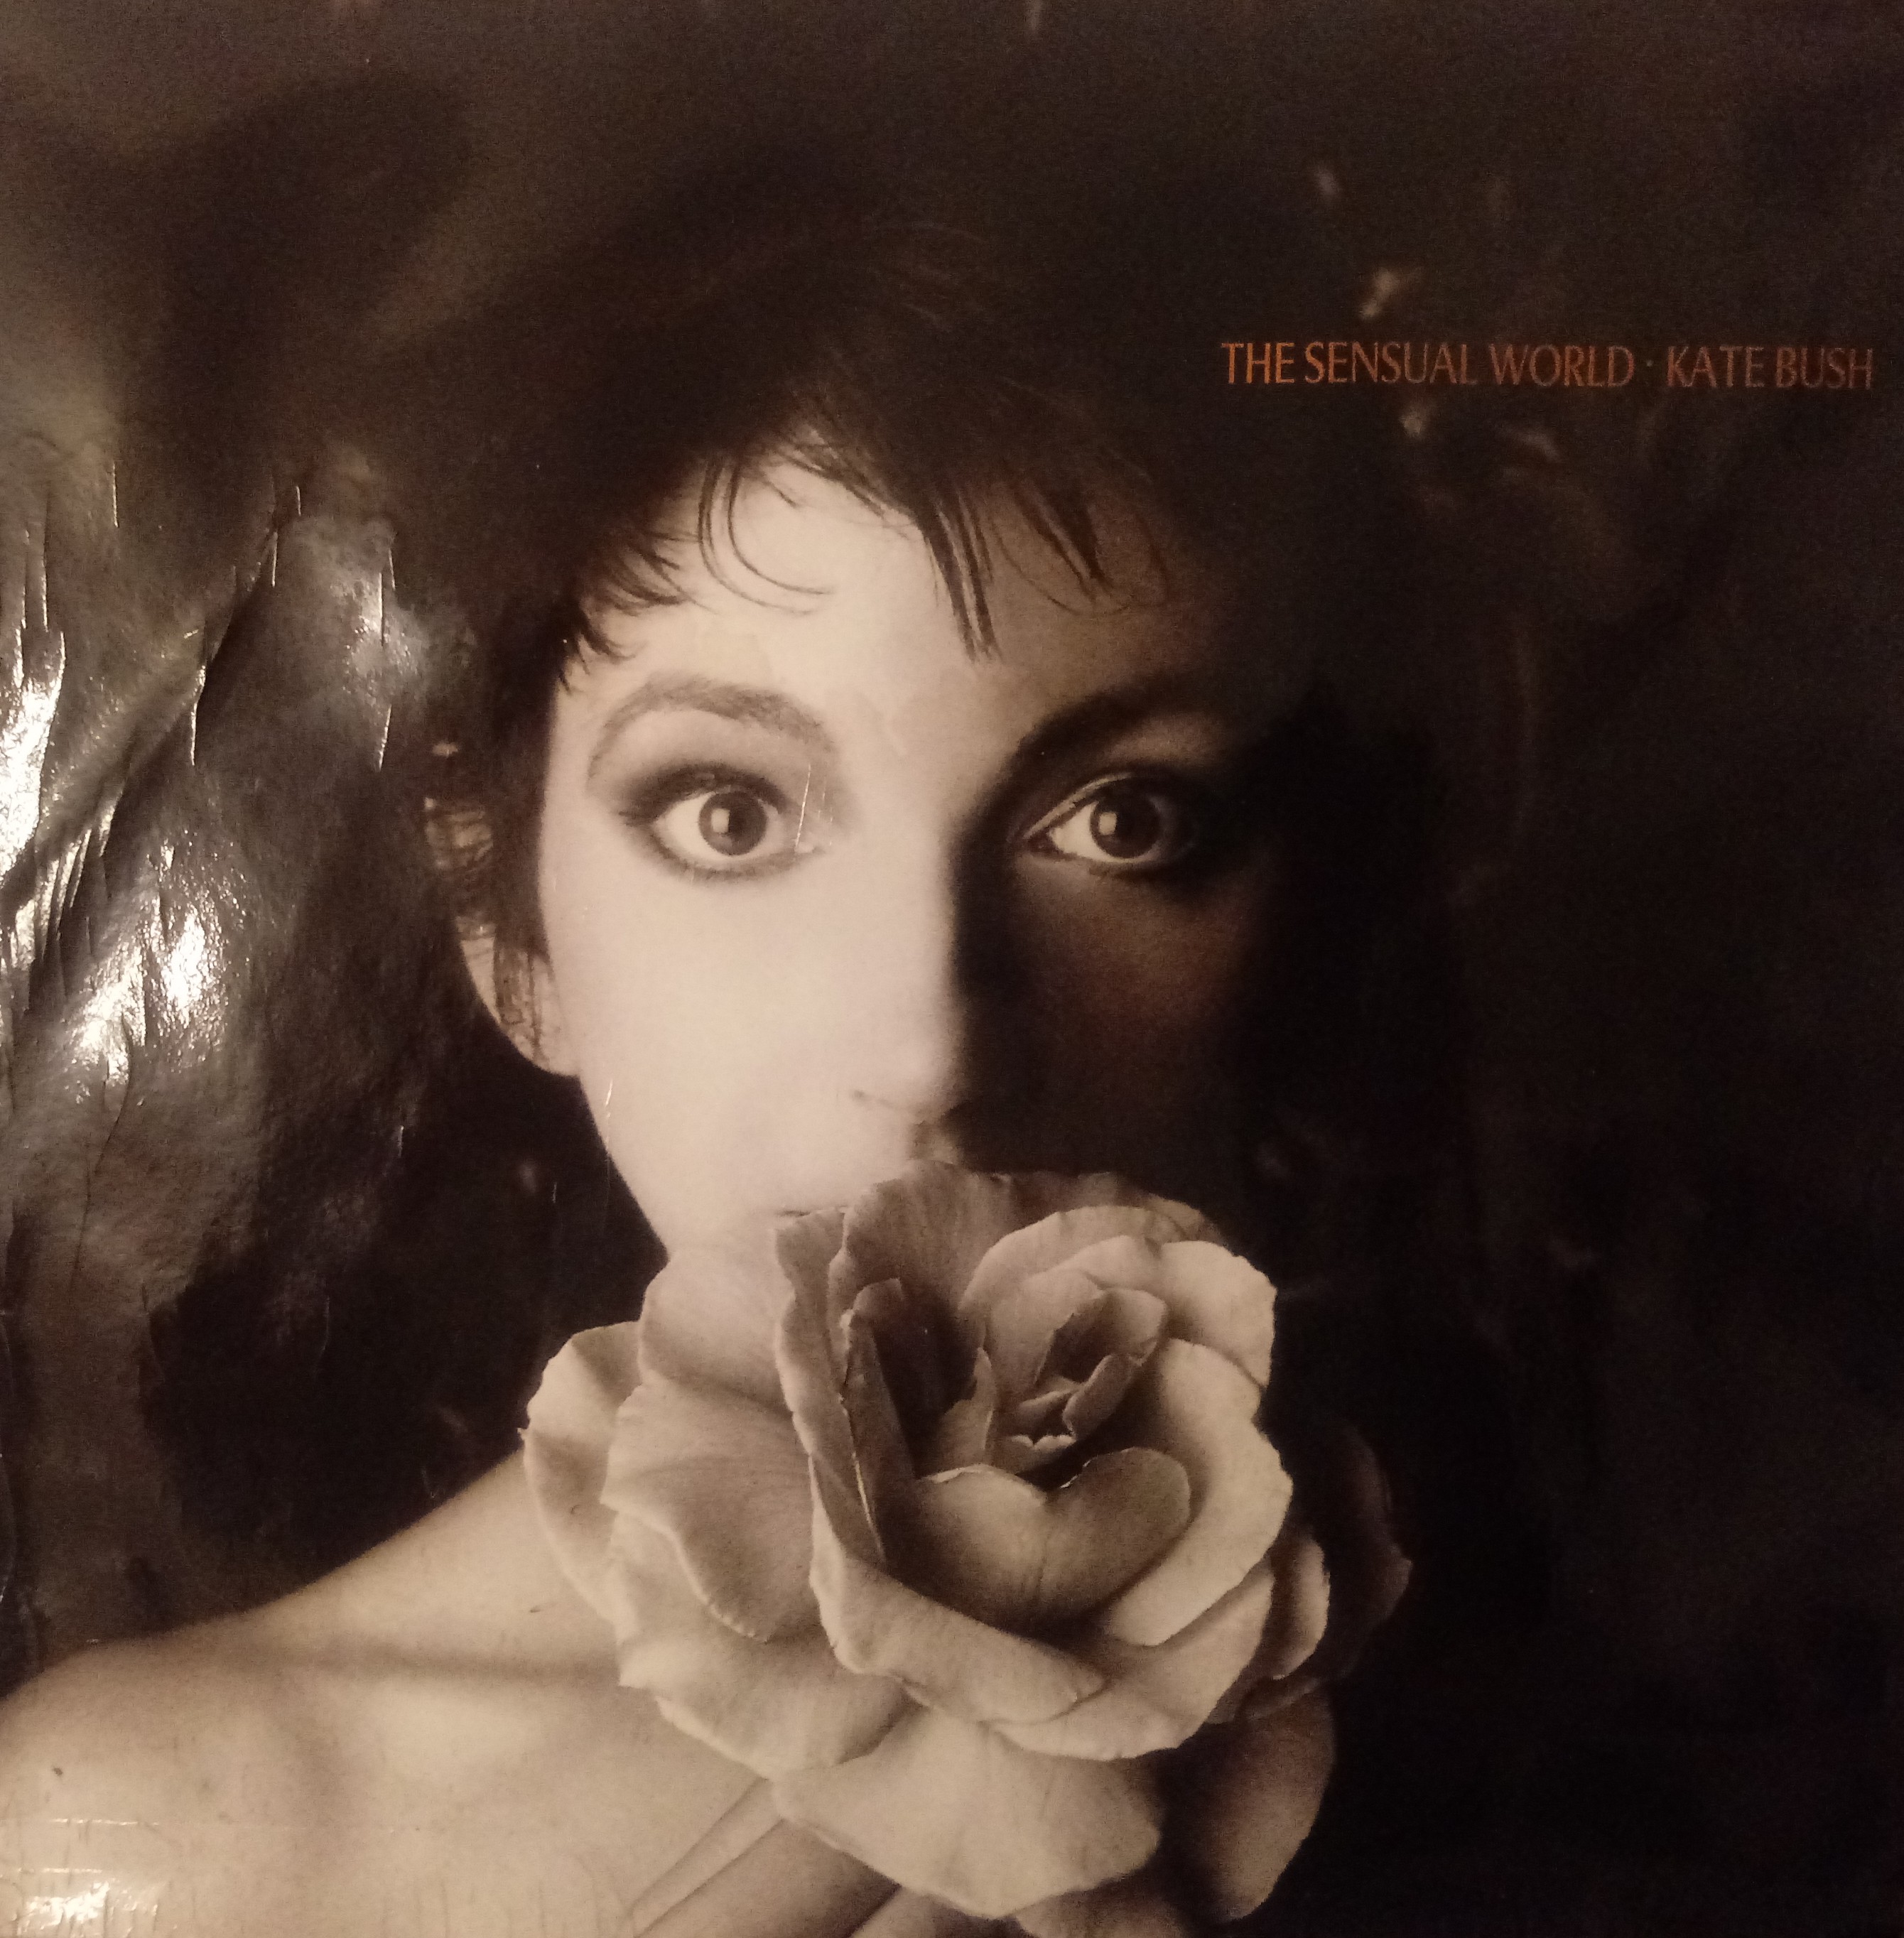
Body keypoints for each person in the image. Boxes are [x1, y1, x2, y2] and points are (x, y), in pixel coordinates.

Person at [0, 154, 1459, 1936]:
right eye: (731, 813)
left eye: (1122, 820)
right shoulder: (162, 1839)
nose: (928, 1042)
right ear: (507, 930)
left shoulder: (1573, 1749)